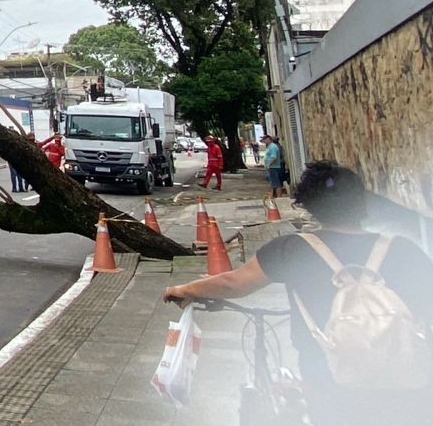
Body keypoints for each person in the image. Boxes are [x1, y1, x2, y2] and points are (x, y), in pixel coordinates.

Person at [163, 161, 433, 423]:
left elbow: (233, 284)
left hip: (328, 384)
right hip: (408, 382)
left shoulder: (292, 249)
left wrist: (184, 289)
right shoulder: (403, 249)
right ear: (362, 201)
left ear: (310, 205)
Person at [263, 135, 288, 199]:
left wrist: (269, 165)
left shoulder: (272, 147)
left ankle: (279, 198)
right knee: (274, 183)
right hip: (274, 167)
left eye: (265, 139)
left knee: (276, 184)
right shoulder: (271, 146)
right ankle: (274, 196)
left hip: (274, 167)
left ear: (269, 139)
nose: (264, 141)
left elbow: (274, 158)